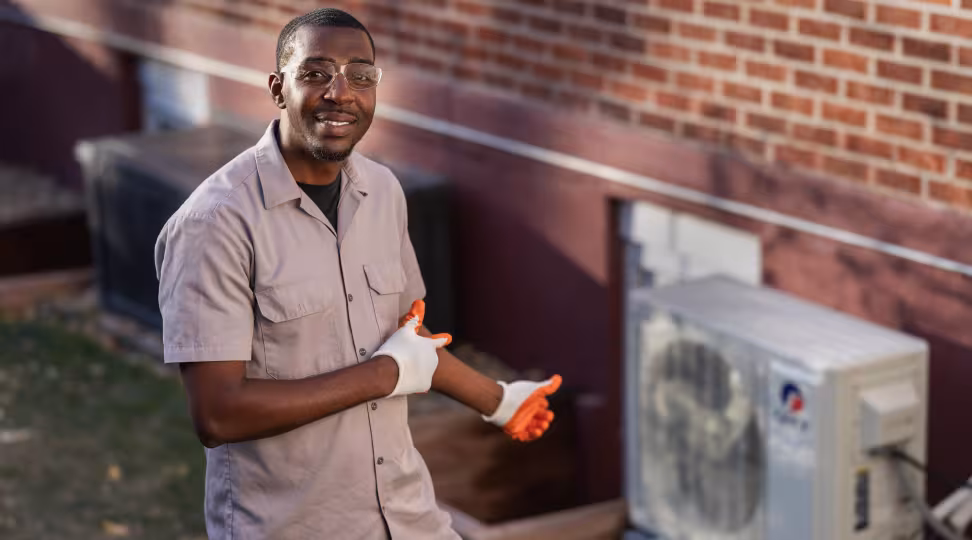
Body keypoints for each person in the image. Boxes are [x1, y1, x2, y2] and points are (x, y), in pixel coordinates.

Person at [154, 7, 562, 540]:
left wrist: (500, 400)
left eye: (361, 76)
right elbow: (218, 415)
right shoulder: (215, 224)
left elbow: (406, 343)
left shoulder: (384, 192)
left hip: (407, 516)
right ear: (278, 89)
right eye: (316, 73)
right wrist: (382, 376)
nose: (341, 92)